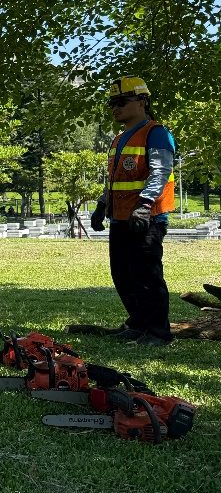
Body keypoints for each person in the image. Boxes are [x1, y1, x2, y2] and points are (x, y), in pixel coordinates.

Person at [90, 77, 176, 348]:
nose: (115, 108)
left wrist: (145, 205)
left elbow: (160, 172)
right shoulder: (118, 139)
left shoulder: (156, 133)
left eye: (121, 102)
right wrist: (102, 205)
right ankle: (138, 324)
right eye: (112, 103)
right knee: (123, 274)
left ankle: (158, 333)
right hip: (120, 217)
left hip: (147, 218)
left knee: (147, 275)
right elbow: (115, 180)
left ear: (142, 102)